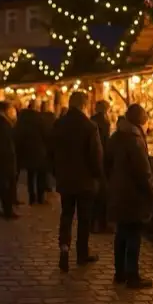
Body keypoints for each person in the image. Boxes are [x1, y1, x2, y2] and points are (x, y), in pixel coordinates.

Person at [52, 91, 103, 272]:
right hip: (85, 181)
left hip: (65, 179)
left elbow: (52, 152)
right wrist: (99, 176)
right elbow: (95, 156)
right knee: (84, 218)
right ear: (84, 104)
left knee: (66, 215)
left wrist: (56, 172)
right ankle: (82, 253)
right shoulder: (89, 127)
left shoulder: (59, 124)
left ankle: (64, 248)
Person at [108, 104, 153, 288]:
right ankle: (132, 276)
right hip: (133, 194)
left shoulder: (117, 136)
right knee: (134, 235)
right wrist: (151, 191)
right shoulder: (135, 139)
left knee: (121, 233)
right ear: (141, 121)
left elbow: (107, 161)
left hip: (119, 192)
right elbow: (143, 171)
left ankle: (120, 273)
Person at [15, 100, 50, 205]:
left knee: (31, 176)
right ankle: (40, 197)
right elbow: (46, 133)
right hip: (39, 151)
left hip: (27, 151)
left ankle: (32, 197)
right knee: (41, 176)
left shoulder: (22, 119)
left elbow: (18, 134)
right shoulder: (39, 119)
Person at [0, 101, 18, 219]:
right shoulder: (2, 123)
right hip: (4, 159)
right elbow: (4, 143)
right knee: (5, 185)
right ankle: (7, 211)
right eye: (11, 109)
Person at [91, 100, 112, 234]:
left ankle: (93, 224)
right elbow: (105, 142)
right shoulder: (104, 122)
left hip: (93, 161)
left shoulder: (91, 121)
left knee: (95, 195)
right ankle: (102, 223)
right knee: (102, 195)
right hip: (101, 160)